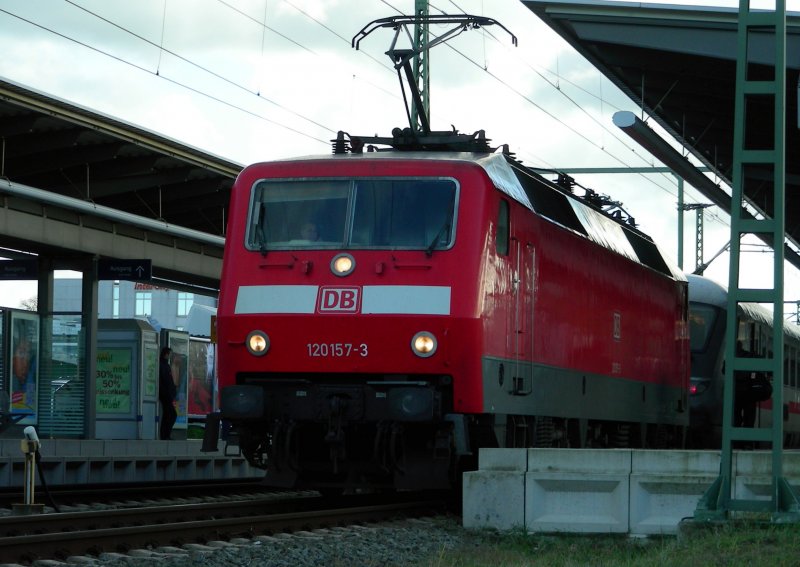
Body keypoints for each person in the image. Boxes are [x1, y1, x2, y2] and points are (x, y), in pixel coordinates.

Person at [159, 346, 178, 440]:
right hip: (166, 395)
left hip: (168, 394)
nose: (170, 356)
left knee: (169, 414)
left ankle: (165, 435)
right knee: (171, 414)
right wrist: (170, 393)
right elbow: (166, 381)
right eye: (170, 354)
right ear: (166, 354)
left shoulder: (166, 365)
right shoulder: (163, 365)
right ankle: (165, 435)